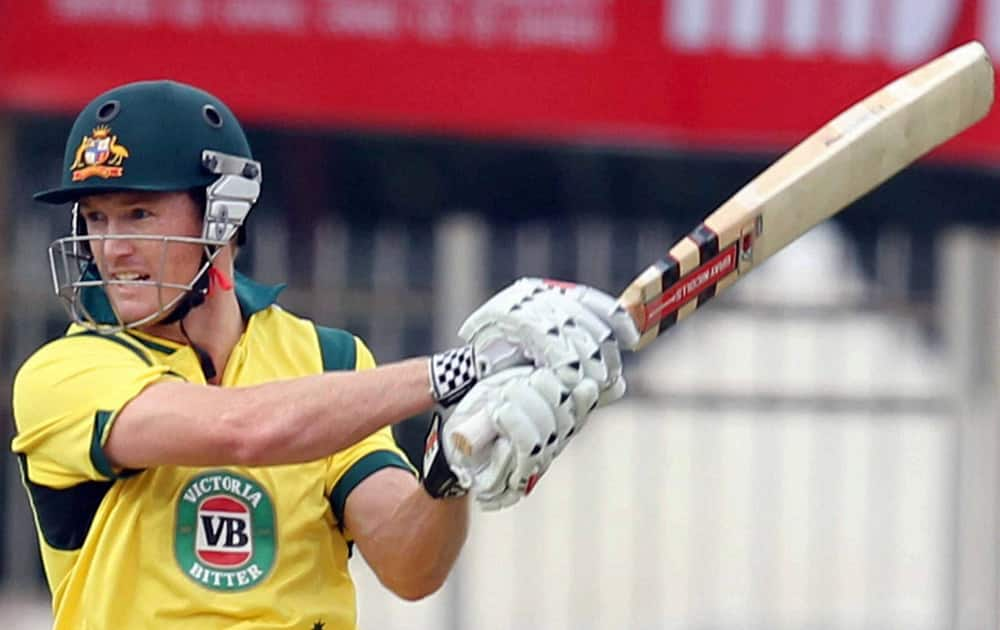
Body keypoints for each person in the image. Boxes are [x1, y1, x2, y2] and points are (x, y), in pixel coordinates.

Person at [10, 80, 639, 629]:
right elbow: (241, 428)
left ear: (222, 217)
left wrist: (449, 467)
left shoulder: (328, 359)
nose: (109, 248)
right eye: (95, 219)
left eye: (138, 214)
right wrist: (462, 371)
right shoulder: (65, 373)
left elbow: (409, 566)